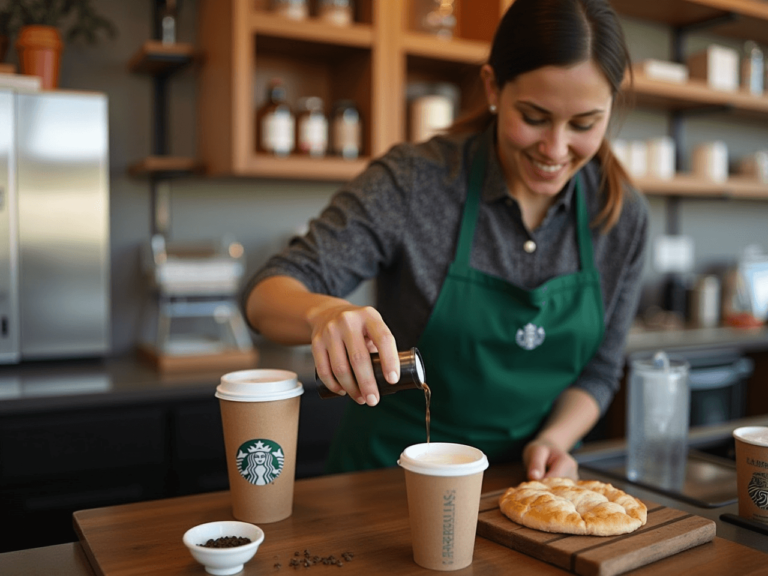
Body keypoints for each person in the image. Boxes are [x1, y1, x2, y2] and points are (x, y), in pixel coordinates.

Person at [242, 0, 649, 481]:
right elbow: (267, 295)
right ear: (493, 87)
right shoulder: (416, 182)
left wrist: (553, 440)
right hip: (387, 481)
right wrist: (322, 313)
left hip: (525, 483)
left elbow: (599, 373)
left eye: (584, 124)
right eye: (535, 117)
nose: (556, 149)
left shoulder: (621, 216)